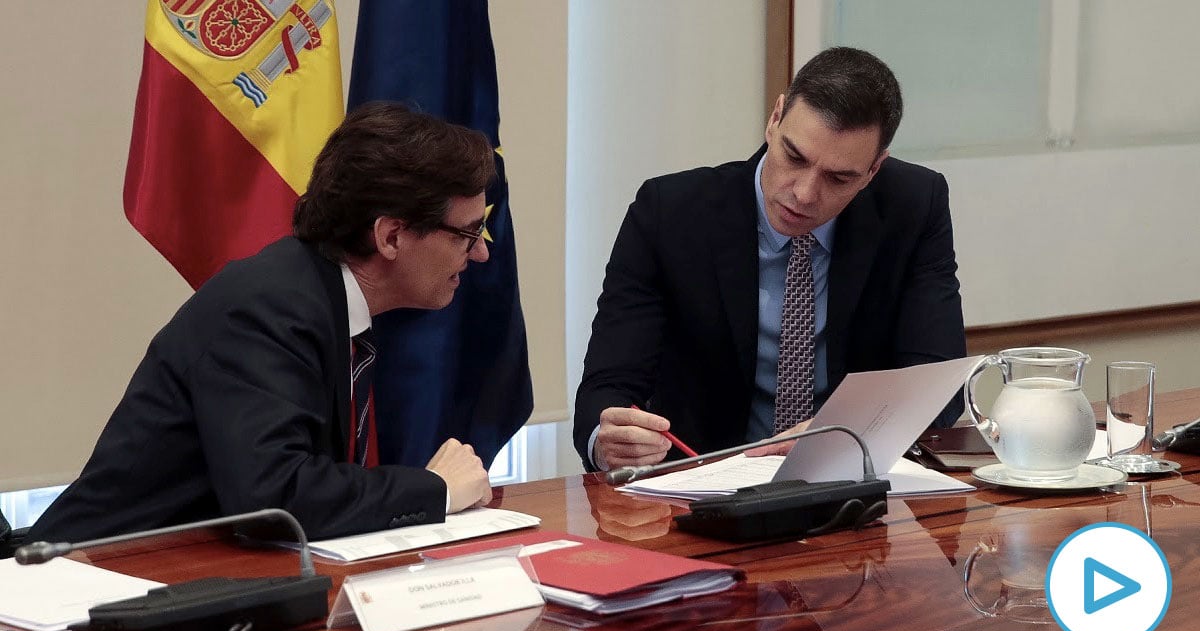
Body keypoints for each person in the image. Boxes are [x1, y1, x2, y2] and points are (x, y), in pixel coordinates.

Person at [29, 103, 496, 542]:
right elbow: (273, 498)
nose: (481, 252)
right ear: (391, 236)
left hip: (195, 582)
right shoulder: (270, 306)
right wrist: (435, 490)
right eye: (467, 233)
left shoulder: (328, 301)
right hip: (83, 585)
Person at [574, 47, 966, 472]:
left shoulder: (913, 206)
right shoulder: (670, 214)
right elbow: (607, 387)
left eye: (839, 178)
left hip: (848, 483)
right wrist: (608, 441)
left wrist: (839, 435)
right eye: (794, 157)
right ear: (775, 118)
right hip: (699, 487)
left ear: (874, 170)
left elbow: (937, 381)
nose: (804, 194)